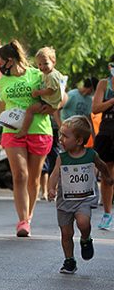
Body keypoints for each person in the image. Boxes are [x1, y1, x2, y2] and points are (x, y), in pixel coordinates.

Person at [0, 40, 53, 237]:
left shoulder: (37, 74)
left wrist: (53, 107)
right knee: (20, 175)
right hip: (12, 131)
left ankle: (28, 216)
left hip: (38, 130)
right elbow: (1, 105)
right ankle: (22, 222)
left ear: (10, 60)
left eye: (0, 62)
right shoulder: (4, 81)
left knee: (34, 178)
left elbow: (58, 92)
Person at [48, 116, 113, 274]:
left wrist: (108, 177)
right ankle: (69, 260)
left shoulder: (91, 155)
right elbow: (54, 175)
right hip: (65, 201)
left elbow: (102, 165)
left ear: (79, 140)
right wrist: (51, 188)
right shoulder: (61, 158)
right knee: (66, 233)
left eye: (65, 136)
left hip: (83, 198)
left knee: (83, 222)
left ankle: (85, 238)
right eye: (61, 135)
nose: (61, 139)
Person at [16, 47, 63, 138]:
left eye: (45, 63)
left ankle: (24, 130)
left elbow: (50, 91)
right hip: (51, 102)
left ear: (53, 62)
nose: (42, 67)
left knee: (30, 110)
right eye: (39, 64)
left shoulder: (51, 76)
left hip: (48, 102)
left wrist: (38, 93)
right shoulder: (51, 73)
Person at [92, 59, 114, 230]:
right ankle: (107, 213)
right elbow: (96, 108)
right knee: (107, 174)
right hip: (106, 132)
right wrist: (112, 101)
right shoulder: (104, 84)